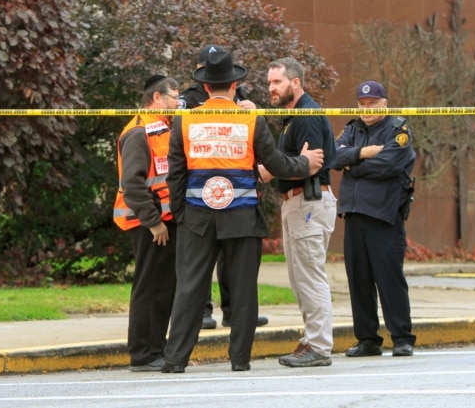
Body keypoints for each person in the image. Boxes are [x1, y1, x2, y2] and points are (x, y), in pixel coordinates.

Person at [162, 48, 324, 373]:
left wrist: (181, 214)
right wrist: (305, 163)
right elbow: (275, 163)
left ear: (205, 87)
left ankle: (175, 359)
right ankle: (239, 360)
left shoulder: (186, 120)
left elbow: (175, 175)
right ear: (234, 86)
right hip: (242, 218)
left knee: (190, 288)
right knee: (244, 291)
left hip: (196, 217)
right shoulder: (250, 118)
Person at [181, 44, 268, 331]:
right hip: (205, 193)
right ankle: (204, 311)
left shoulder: (241, 100)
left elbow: (259, 144)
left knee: (234, 265)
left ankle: (234, 312)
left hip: (238, 192)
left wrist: (254, 113)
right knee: (201, 264)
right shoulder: (190, 101)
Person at [258, 57, 337, 367]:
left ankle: (319, 346)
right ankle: (311, 340)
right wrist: (276, 168)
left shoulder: (306, 116)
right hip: (296, 203)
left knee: (310, 275)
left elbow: (311, 164)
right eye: (269, 83)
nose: (271, 88)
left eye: (276, 82)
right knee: (298, 277)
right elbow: (294, 163)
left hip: (309, 201)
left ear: (295, 82)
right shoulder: (291, 118)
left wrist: (267, 171)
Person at [333, 80, 416, 357]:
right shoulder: (353, 128)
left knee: (389, 279)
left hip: (384, 215)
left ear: (385, 104)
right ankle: (367, 339)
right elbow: (333, 156)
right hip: (354, 214)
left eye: (372, 103)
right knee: (359, 280)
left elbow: (389, 164)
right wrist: (364, 152)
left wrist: (352, 166)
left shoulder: (397, 129)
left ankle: (402, 337)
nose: (366, 108)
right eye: (362, 104)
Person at [113, 75, 181, 371]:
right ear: (157, 98)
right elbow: (132, 185)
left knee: (162, 287)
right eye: (174, 98)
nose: (178, 104)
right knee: (149, 287)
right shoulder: (139, 133)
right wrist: (154, 223)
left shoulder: (161, 128)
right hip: (149, 225)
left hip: (161, 221)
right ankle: (143, 353)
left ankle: (155, 348)